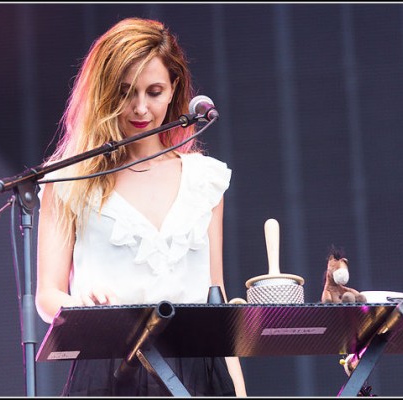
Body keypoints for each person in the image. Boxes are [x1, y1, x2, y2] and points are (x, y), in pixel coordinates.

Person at [35, 16, 247, 397]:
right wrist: (79, 306)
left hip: (199, 370)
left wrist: (239, 389)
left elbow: (215, 299)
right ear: (103, 92)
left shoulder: (206, 180)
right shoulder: (67, 180)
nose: (140, 108)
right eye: (125, 91)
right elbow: (47, 295)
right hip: (108, 367)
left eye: (153, 91)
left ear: (174, 90)